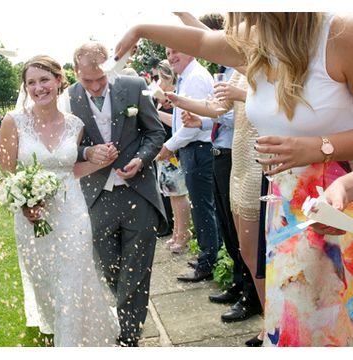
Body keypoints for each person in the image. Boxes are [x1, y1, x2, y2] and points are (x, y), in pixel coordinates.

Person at [114, 11, 353, 347]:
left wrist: (317, 148)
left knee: (331, 320)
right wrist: (140, 27)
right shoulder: (259, 36)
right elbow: (200, 40)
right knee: (295, 321)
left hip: (339, 202)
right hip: (284, 205)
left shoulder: (341, 33)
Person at [0, 55, 119, 346]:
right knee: (46, 283)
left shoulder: (75, 125)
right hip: (33, 216)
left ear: (58, 81)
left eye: (44, 80)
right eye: (31, 82)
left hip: (72, 212)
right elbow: (7, 171)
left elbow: (70, 170)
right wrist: (25, 202)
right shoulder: (13, 122)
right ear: (25, 88)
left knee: (73, 278)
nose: (39, 87)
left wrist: (101, 163)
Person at [68, 42, 166, 346]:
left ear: (111, 67)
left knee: (136, 268)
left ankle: (129, 335)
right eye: (88, 81)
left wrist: (142, 159)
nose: (96, 87)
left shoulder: (135, 86)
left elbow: (155, 133)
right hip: (97, 196)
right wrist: (87, 151)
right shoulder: (67, 98)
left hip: (140, 193)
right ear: (75, 72)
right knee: (110, 267)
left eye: (102, 79)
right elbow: (60, 145)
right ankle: (126, 316)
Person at [173, 12, 263, 325]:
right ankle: (246, 291)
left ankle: (257, 303)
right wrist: (179, 101)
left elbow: (270, 99)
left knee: (254, 245)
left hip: (254, 162)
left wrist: (183, 15)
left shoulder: (255, 66)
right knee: (236, 236)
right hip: (234, 158)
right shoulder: (234, 72)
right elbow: (216, 109)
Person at [156, 47, 220, 283]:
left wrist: (168, 146)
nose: (171, 57)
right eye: (168, 53)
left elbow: (192, 127)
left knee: (203, 209)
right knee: (201, 207)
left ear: (191, 52)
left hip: (199, 149)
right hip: (193, 150)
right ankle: (208, 255)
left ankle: (207, 263)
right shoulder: (187, 77)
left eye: (176, 52)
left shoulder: (195, 78)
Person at [154, 61, 191, 252]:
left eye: (161, 78)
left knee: (178, 193)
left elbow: (175, 123)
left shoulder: (178, 96)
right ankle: (177, 231)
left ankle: (184, 234)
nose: (159, 83)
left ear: (168, 78)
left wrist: (156, 113)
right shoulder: (167, 99)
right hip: (167, 152)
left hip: (174, 150)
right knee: (171, 194)